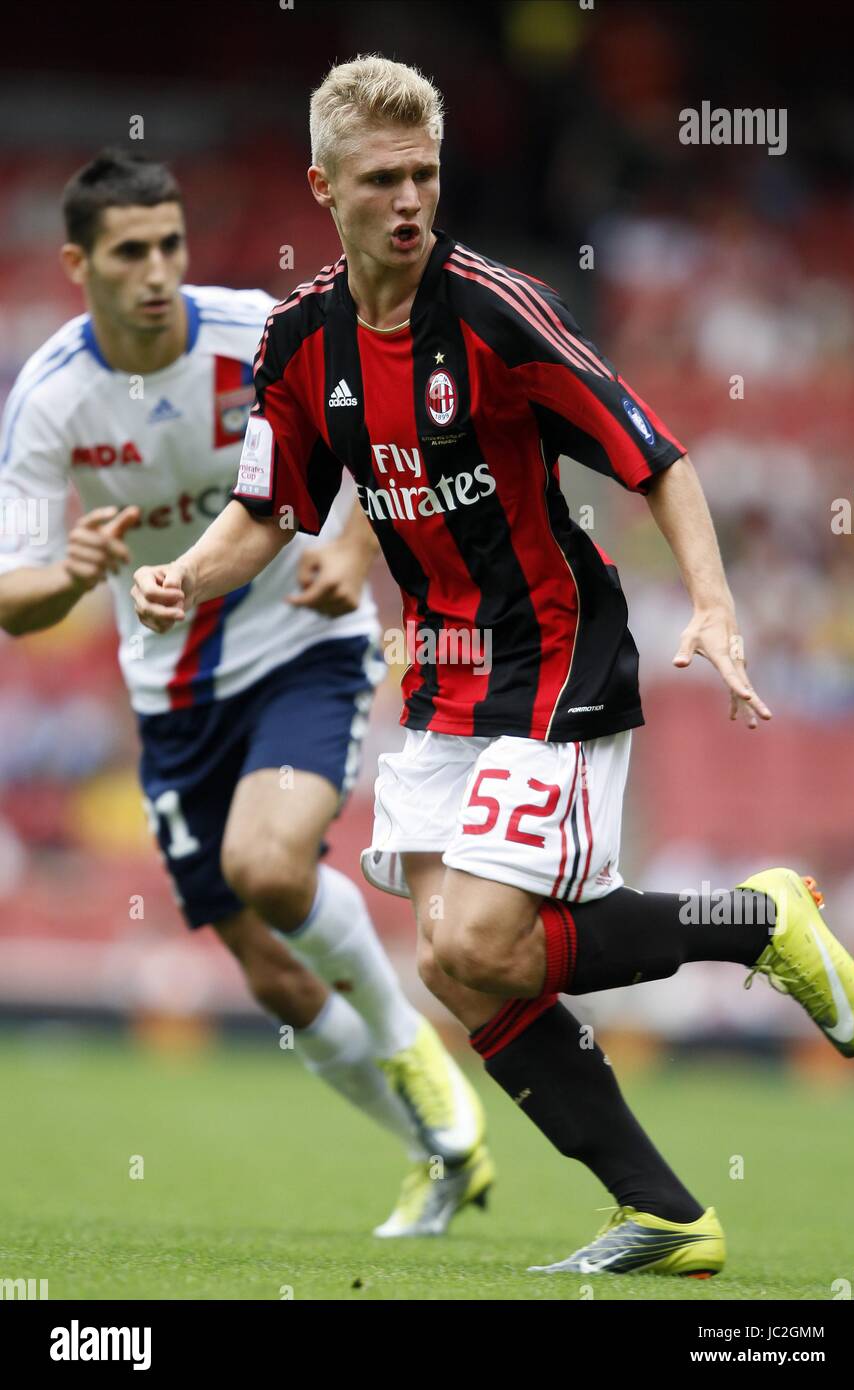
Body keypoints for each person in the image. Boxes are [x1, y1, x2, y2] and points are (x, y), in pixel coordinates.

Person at [131, 57, 854, 1277]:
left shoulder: (494, 311)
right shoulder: (299, 341)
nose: (409, 199)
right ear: (324, 187)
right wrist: (186, 578)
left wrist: (716, 607)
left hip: (556, 652)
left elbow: (654, 455)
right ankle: (670, 1212)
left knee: (481, 933)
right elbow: (269, 506)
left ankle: (757, 924)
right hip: (442, 672)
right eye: (381, 180)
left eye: (424, 173)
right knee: (456, 962)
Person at [0, 147, 494, 1239]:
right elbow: (13, 598)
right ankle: (437, 1151)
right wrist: (72, 574)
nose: (157, 270)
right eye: (130, 252)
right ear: (78, 263)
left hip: (302, 638)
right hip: (171, 685)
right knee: (267, 970)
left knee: (268, 866)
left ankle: (410, 1044)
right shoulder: (49, 400)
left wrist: (357, 543)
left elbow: (392, 430)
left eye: (170, 244)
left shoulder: (258, 336)